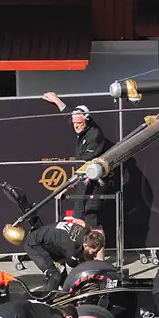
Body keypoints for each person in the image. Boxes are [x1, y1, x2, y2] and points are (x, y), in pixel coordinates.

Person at [41, 92, 114, 230]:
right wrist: (57, 101)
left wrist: (65, 187)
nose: (76, 126)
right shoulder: (81, 125)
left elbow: (84, 167)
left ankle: (97, 248)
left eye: (79, 123)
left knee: (92, 220)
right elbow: (69, 115)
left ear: (87, 120)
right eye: (74, 123)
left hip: (96, 181)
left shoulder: (94, 137)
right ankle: (85, 248)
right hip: (84, 179)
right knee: (78, 215)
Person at [23, 220, 106, 290]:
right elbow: (73, 265)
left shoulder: (87, 231)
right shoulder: (73, 248)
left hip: (53, 243)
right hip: (35, 244)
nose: (95, 256)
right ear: (85, 245)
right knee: (56, 276)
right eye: (93, 252)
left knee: (63, 278)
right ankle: (48, 304)